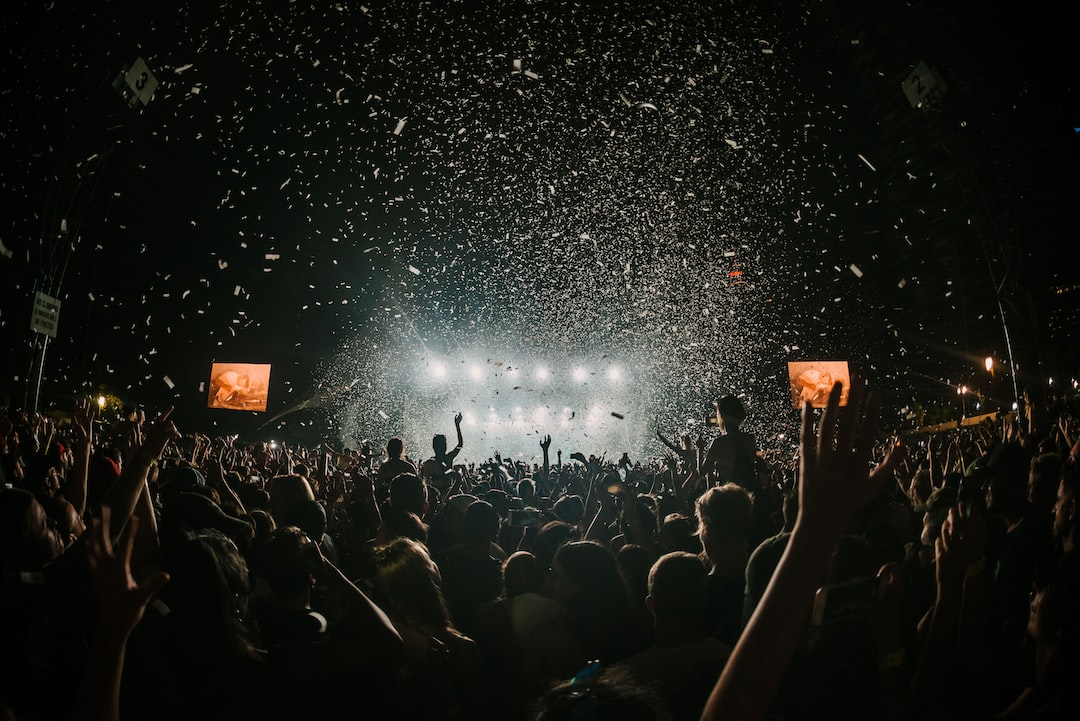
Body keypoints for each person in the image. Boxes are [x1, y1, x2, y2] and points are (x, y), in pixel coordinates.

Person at [699, 375, 903, 721]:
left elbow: (704, 471)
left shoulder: (722, 444)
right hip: (753, 505)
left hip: (729, 503)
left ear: (721, 413)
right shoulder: (749, 439)